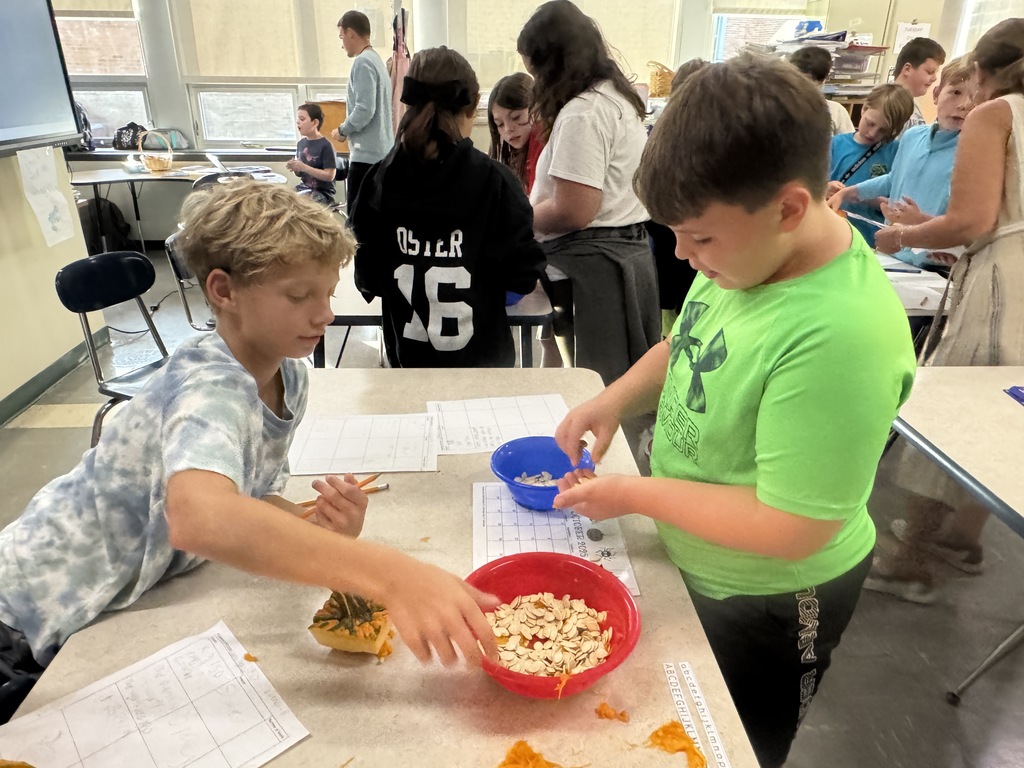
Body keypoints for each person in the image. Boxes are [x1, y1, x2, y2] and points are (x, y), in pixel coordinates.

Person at [0, 181, 499, 724]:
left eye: (328, 294)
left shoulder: (290, 375)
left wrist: (318, 526)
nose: (325, 315)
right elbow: (199, 517)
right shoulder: (209, 385)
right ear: (224, 290)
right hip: (22, 615)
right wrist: (390, 573)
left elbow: (246, 502)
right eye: (298, 296)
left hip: (101, 606)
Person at [550, 55, 915, 767]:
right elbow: (687, 339)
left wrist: (629, 492)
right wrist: (611, 397)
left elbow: (791, 526)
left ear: (787, 208)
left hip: (779, 597)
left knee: (735, 741)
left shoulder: (840, 334)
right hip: (699, 552)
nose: (684, 258)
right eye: (676, 236)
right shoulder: (751, 257)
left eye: (701, 239)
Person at [867, 19, 1024, 604]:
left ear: (982, 72)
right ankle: (962, 537)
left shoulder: (998, 113)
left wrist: (901, 236)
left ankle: (912, 562)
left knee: (952, 411)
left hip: (1006, 282)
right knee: (1004, 408)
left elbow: (971, 221)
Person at [351, 47, 545, 368]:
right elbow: (523, 276)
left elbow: (367, 278)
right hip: (483, 368)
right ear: (472, 105)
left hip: (407, 365)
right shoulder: (495, 182)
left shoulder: (380, 179)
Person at [518, 0, 660, 387]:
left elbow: (574, 210)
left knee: (597, 384)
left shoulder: (584, 112)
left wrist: (517, 217)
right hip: (618, 253)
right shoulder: (615, 98)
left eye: (535, 70)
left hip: (592, 263)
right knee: (619, 380)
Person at [828, 56, 975, 268]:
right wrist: (847, 192)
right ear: (936, 94)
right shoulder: (913, 137)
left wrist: (920, 223)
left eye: (975, 97)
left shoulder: (973, 152)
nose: (964, 105)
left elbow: (969, 221)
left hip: (935, 265)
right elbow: (893, 178)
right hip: (892, 256)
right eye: (956, 92)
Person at [486, 72, 563, 369]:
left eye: (517, 118)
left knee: (547, 329)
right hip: (538, 249)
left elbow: (533, 212)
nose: (509, 130)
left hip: (554, 250)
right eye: (500, 124)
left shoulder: (544, 144)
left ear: (535, 109)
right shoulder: (509, 154)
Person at [646, 59, 707, 338]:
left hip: (681, 234)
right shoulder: (660, 133)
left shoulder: (707, 135)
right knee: (674, 308)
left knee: (683, 304)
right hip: (669, 233)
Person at [826, 83, 914, 246]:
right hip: (832, 236)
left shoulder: (896, 152)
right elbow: (810, 189)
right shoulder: (834, 145)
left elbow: (897, 205)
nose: (873, 133)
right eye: (871, 123)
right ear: (864, 108)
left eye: (883, 130)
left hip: (871, 241)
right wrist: (826, 188)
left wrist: (860, 195)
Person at [332, 10, 394, 212]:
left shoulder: (363, 62)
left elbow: (364, 110)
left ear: (351, 33)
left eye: (342, 37)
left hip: (366, 158)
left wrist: (342, 130)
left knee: (357, 223)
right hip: (381, 154)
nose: (342, 45)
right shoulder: (377, 61)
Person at [789, 45, 855, 135]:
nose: (800, 87)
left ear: (822, 81)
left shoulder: (836, 111)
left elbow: (848, 145)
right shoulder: (776, 107)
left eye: (807, 82)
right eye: (795, 79)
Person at [286, 102, 338, 206]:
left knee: (300, 206)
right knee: (281, 200)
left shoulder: (326, 145)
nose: (298, 123)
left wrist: (304, 167)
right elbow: (301, 173)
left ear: (315, 123)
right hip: (304, 188)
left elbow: (329, 176)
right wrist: (295, 168)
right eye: (297, 120)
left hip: (322, 193)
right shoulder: (301, 144)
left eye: (302, 119)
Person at [893, 37, 947, 131]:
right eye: (930, 72)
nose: (934, 78)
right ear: (907, 69)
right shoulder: (906, 113)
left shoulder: (910, 105)